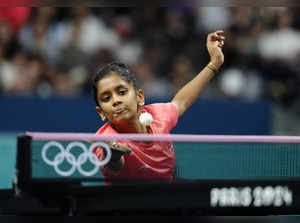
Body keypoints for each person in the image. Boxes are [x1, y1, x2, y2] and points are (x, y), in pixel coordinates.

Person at [92, 30, 225, 181]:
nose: (116, 101)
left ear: (140, 97)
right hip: (128, 202)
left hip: (168, 197)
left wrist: (214, 63)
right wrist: (112, 156)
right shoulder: (105, 140)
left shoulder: (158, 116)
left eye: (122, 92)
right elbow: (114, 168)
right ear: (101, 112)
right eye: (106, 98)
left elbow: (180, 102)